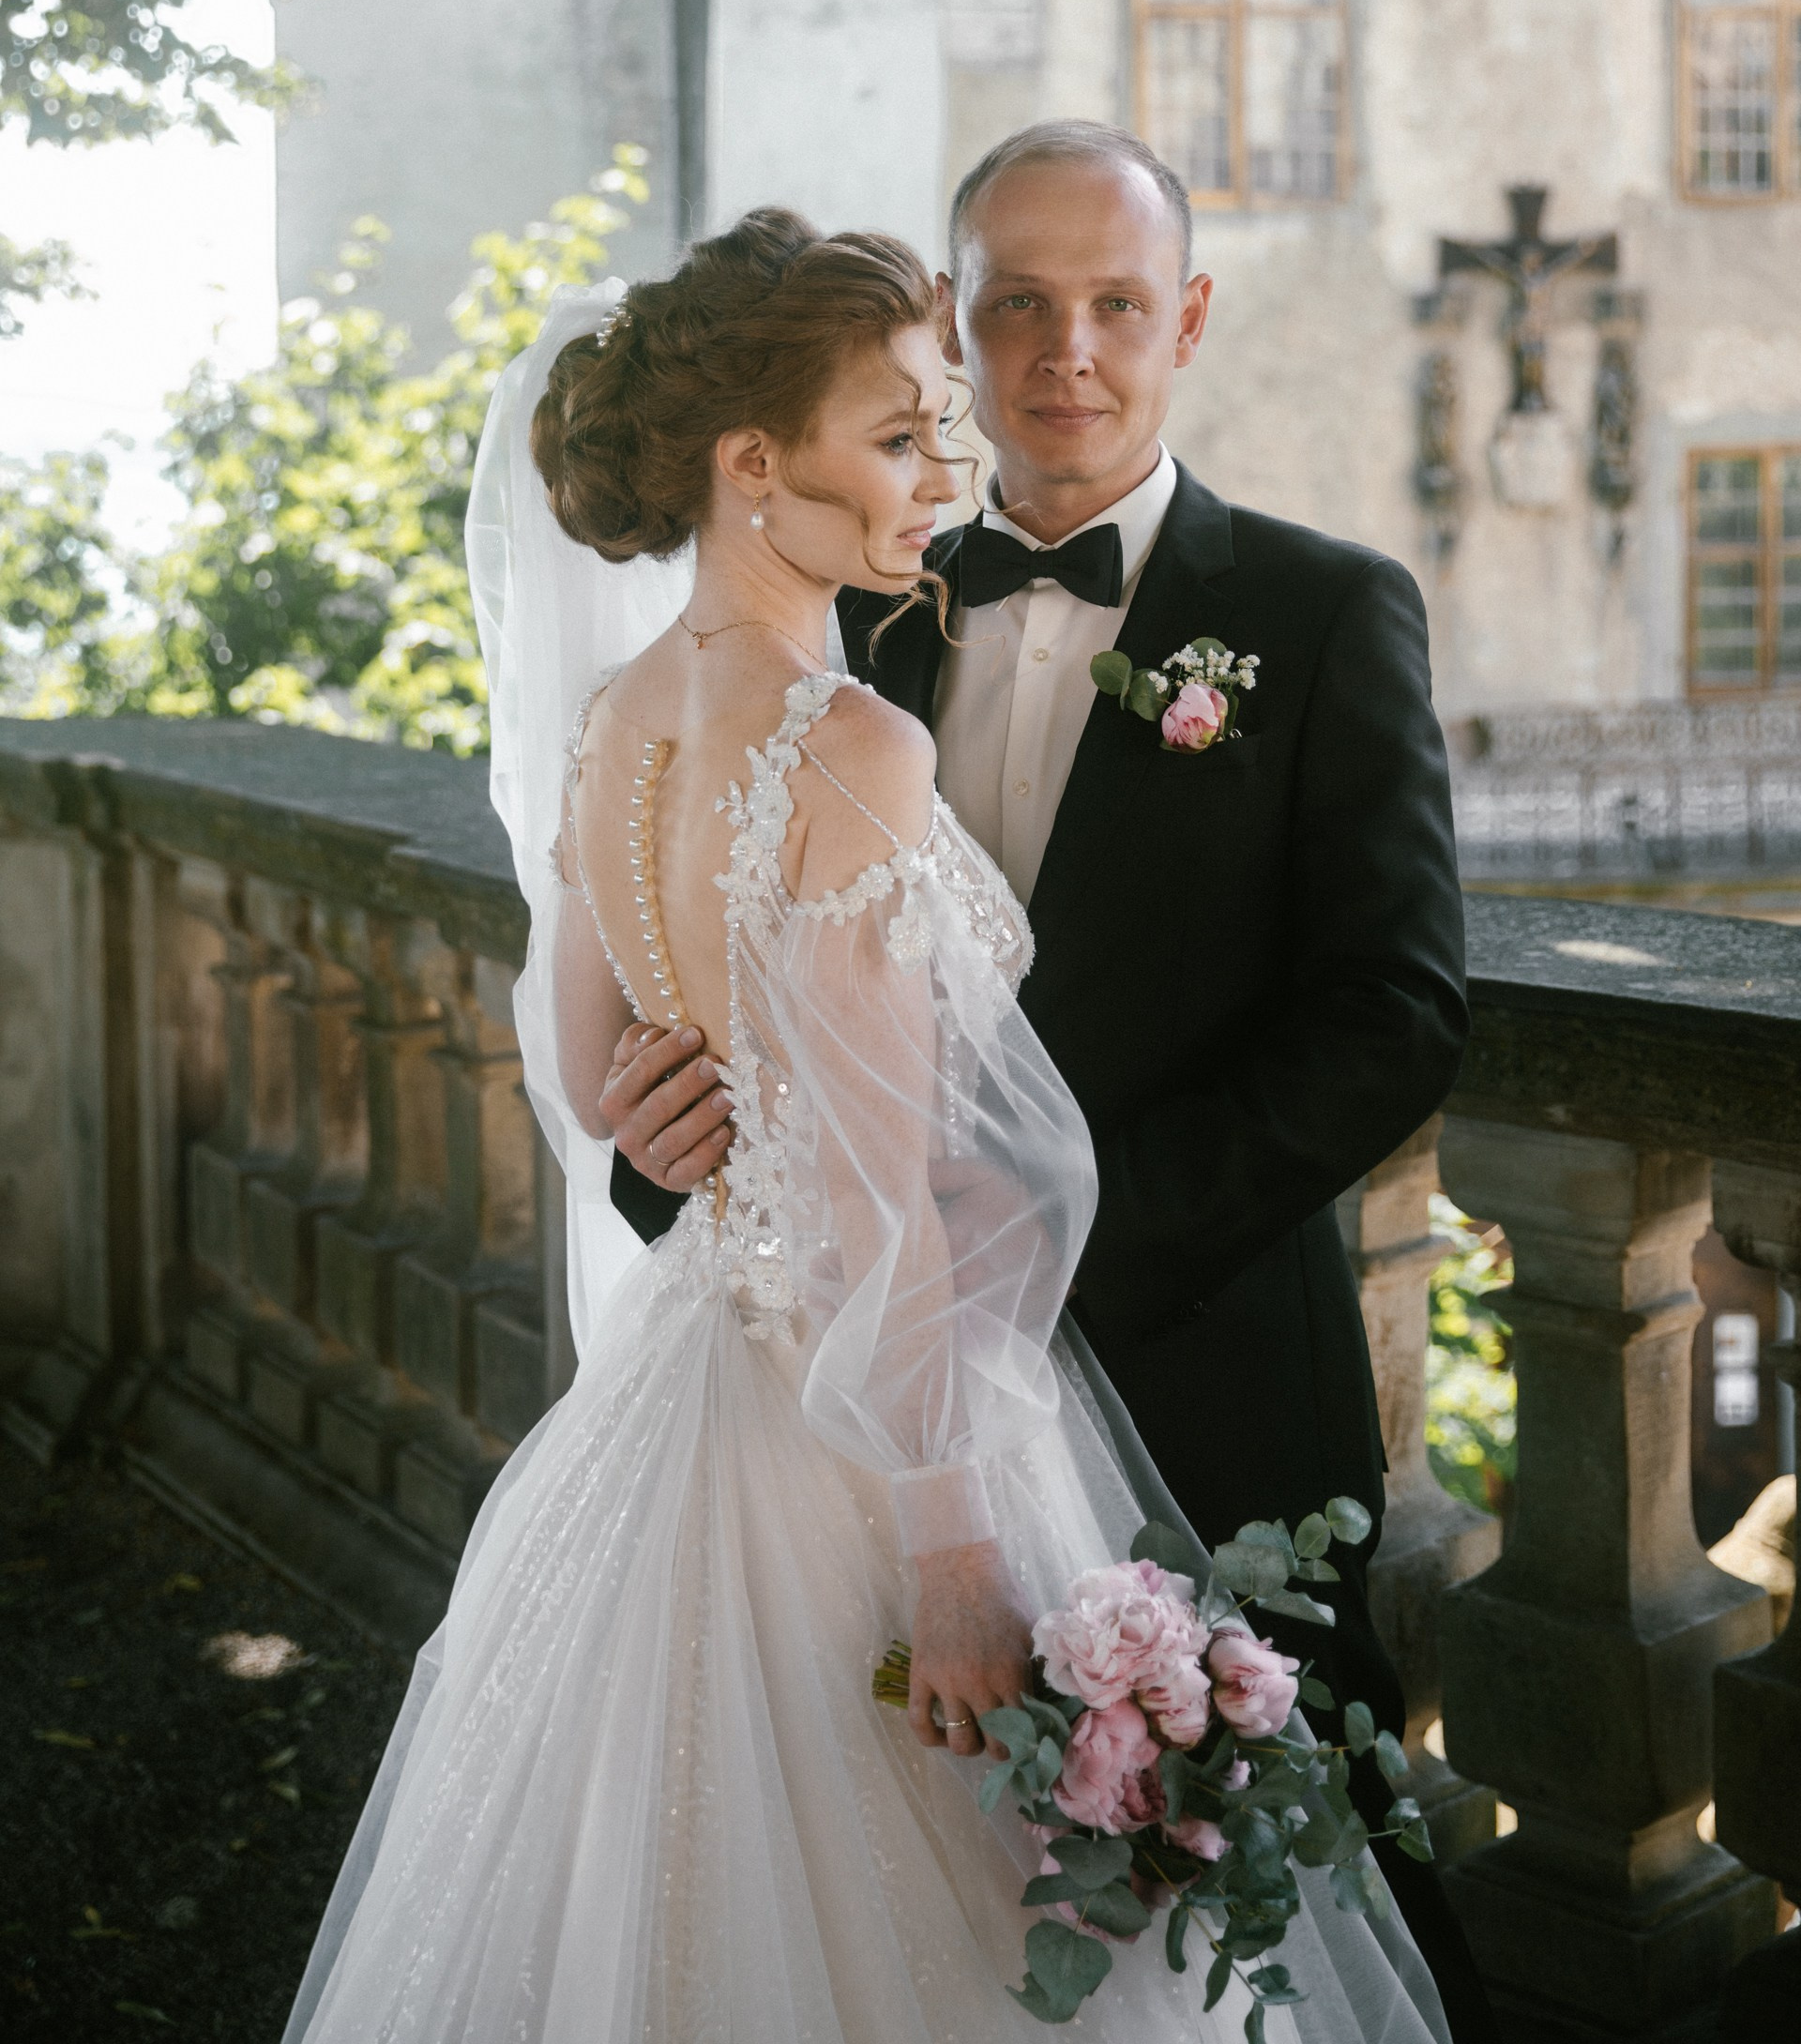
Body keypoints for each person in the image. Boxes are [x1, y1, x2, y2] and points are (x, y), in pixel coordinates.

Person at [281, 207, 1451, 2044]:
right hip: (864, 1434)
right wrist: (954, 1549)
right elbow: (877, 1200)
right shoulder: (846, 746)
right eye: (898, 433)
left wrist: (688, 1127)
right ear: (754, 463)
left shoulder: (612, 721)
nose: (943, 469)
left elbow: (606, 1070)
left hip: (677, 1402)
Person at [603, 132, 1493, 2044]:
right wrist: (650, 1131)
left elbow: (1396, 1007)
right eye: (1012, 302)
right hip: (862, 1417)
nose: (1060, 349)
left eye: (1110, 303)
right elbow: (720, 988)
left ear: (1182, 321)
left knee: (1296, 1901)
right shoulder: (822, 602)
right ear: (953, 313)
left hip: (1202, 1369)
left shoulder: (1329, 611)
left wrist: (1049, 1233)